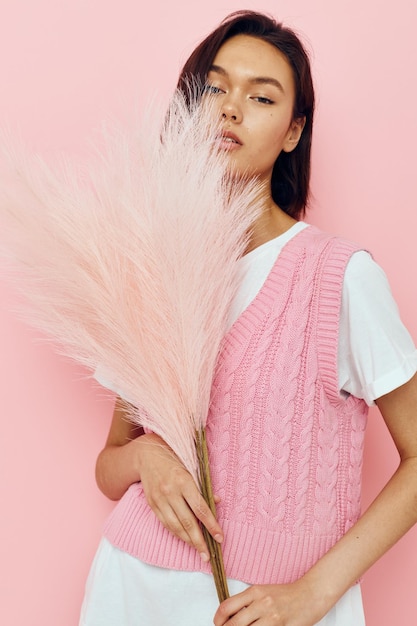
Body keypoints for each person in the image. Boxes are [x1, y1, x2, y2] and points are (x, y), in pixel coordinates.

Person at [79, 10, 417, 626]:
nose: (230, 108)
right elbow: (110, 464)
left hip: (280, 608)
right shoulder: (155, 271)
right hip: (132, 591)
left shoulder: (338, 277)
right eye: (214, 88)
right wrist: (146, 460)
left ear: (293, 133)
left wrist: (317, 592)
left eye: (261, 96)